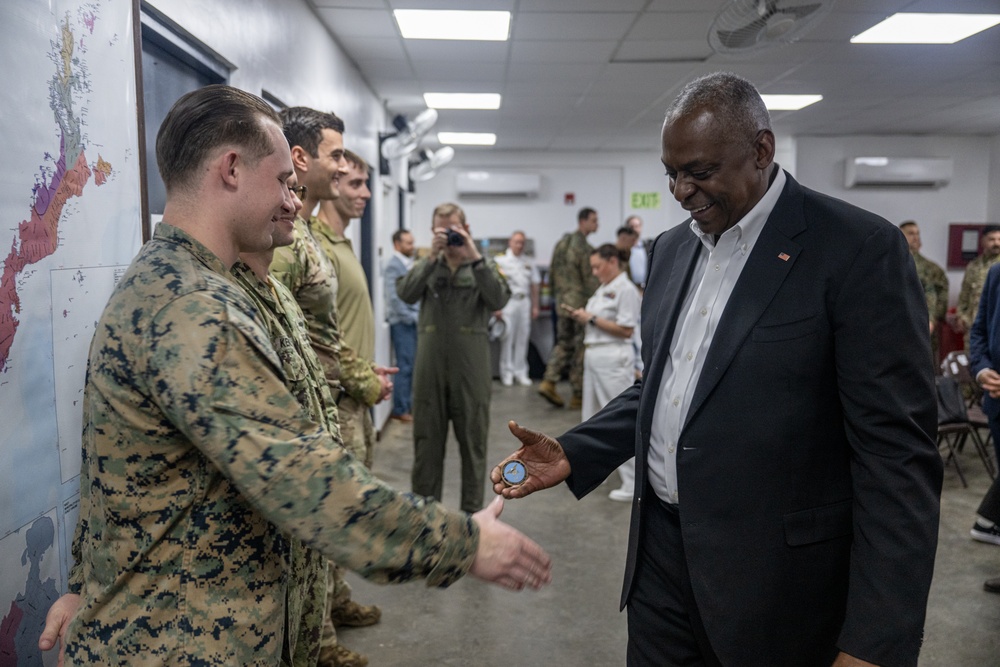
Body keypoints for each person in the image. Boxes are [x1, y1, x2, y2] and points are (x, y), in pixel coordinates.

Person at [41, 86, 551, 667]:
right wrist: (462, 544)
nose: (293, 200)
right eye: (283, 179)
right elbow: (304, 476)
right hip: (179, 638)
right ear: (232, 169)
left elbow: (115, 471)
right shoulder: (192, 307)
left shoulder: (213, 283)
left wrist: (85, 578)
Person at [492, 72, 941, 667]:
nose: (680, 190)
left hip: (779, 584)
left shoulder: (856, 250)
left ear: (762, 149)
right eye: (670, 173)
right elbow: (666, 387)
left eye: (699, 172)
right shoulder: (671, 250)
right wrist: (578, 450)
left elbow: (897, 458)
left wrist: (875, 641)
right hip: (660, 565)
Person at [270, 108, 389, 667]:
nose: (345, 169)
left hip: (335, 399)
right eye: (337, 157)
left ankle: (326, 617)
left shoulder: (306, 236)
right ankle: (315, 640)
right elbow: (287, 338)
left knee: (337, 522)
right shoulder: (288, 242)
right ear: (300, 159)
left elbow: (317, 332)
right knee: (324, 523)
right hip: (314, 412)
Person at [397, 203, 510, 514]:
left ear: (466, 229)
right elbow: (405, 293)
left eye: (453, 230)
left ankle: (474, 521)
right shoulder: (426, 265)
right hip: (429, 369)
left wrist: (474, 255)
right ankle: (424, 522)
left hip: (470, 370)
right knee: (426, 447)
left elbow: (499, 297)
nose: (447, 236)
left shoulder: (481, 267)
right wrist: (431, 257)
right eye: (441, 230)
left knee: (474, 447)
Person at [562, 244, 640, 503]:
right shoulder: (604, 289)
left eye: (598, 266)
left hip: (613, 356)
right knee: (592, 417)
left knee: (619, 421)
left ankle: (632, 482)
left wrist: (591, 319)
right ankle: (597, 469)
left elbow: (626, 329)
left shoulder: (625, 289)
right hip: (595, 354)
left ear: (613, 262)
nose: (594, 272)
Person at [538, 207, 599, 409]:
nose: (597, 225)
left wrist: (558, 297)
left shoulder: (561, 244)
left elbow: (552, 273)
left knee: (564, 343)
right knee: (581, 347)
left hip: (562, 302)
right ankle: (578, 395)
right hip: (579, 303)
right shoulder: (585, 248)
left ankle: (549, 380)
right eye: (594, 221)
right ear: (583, 221)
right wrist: (595, 303)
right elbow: (590, 280)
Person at [494, 230, 540, 386]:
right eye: (516, 242)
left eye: (522, 242)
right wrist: (497, 306)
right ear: (510, 242)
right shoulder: (501, 261)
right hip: (508, 302)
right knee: (507, 338)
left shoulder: (528, 262)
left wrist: (535, 306)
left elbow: (534, 285)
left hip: (524, 302)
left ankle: (520, 372)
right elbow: (495, 286)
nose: (519, 245)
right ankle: (506, 373)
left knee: (523, 338)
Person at [899, 220, 948, 363]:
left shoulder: (930, 268)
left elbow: (939, 295)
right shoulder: (892, 263)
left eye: (917, 234)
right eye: (910, 233)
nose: (915, 237)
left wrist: (934, 319)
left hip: (924, 325)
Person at [385, 229, 419, 422]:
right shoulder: (393, 266)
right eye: (408, 243)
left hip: (411, 322)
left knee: (411, 366)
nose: (412, 247)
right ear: (397, 245)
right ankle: (400, 408)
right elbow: (394, 299)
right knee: (404, 367)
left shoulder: (407, 264)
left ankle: (408, 405)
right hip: (403, 323)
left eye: (412, 242)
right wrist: (413, 317)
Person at [956, 224, 1000, 350]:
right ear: (983, 241)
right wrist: (961, 315)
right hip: (973, 326)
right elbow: (965, 294)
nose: (996, 243)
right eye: (992, 239)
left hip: (994, 325)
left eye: (999, 239)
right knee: (972, 361)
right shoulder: (974, 266)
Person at [625, 215, 651, 289]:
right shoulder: (623, 249)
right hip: (629, 287)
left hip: (645, 287)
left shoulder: (647, 247)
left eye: (637, 226)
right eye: (631, 226)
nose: (634, 229)